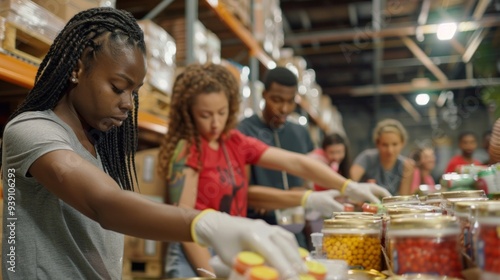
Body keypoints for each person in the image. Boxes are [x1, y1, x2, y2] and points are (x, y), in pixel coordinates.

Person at [0, 8, 309, 279]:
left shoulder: (97, 145)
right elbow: (104, 204)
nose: (128, 104)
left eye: (134, 92)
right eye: (118, 87)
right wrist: (208, 224)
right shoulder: (31, 130)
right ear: (78, 69)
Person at [157, 63, 391, 278]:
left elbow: (296, 163)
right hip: (195, 249)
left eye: (222, 112)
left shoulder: (234, 142)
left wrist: (347, 186)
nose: (216, 123)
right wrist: (209, 273)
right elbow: (184, 220)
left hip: (231, 245)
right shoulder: (189, 149)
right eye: (205, 115)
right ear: (188, 113)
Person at [237, 67, 314, 247]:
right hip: (258, 232)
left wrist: (304, 190)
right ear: (264, 94)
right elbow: (242, 190)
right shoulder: (244, 131)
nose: (284, 109)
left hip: (296, 232)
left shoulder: (301, 133)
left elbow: (308, 180)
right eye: (277, 100)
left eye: (290, 101)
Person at [350, 118, 414, 196]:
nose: (390, 150)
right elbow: (350, 183)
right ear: (377, 144)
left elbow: (404, 197)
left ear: (402, 143)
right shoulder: (367, 158)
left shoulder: (406, 165)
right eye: (385, 145)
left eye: (395, 144)